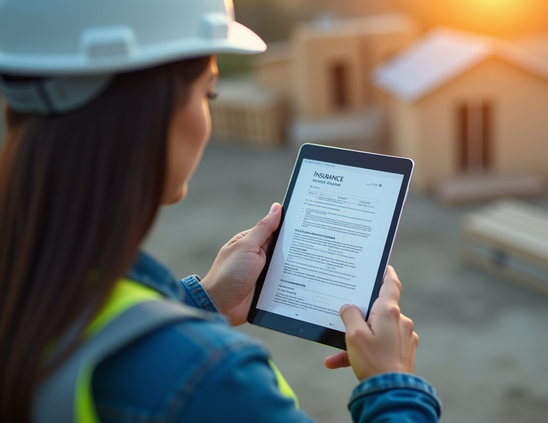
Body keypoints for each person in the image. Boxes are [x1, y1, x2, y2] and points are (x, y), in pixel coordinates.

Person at [0, 1, 442, 422]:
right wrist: (392, 384)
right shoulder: (210, 377)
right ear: (154, 112)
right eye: (208, 93)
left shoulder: (24, 278)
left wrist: (203, 301)